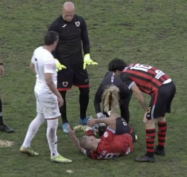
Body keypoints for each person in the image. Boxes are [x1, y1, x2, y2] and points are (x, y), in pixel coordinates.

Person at [107, 58, 176, 163]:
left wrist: (146, 111)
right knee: (161, 116)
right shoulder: (131, 65)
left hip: (161, 89)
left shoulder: (124, 75)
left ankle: (149, 155)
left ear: (117, 71)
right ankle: (160, 148)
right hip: (170, 84)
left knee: (148, 121)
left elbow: (138, 93)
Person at [19, 31, 72, 163]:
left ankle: (25, 145)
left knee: (40, 116)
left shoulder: (37, 50)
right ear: (55, 42)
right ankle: (54, 154)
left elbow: (32, 66)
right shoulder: (49, 59)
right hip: (47, 94)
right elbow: (49, 81)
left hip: (38, 89)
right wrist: (59, 96)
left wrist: (40, 77)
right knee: (53, 124)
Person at [47, 2, 98, 134]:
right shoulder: (55, 25)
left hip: (79, 63)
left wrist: (86, 56)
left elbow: (85, 40)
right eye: (66, 15)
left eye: (71, 15)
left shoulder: (80, 21)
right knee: (62, 94)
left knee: (85, 90)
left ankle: (82, 117)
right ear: (61, 11)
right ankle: (64, 121)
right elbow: (49, 45)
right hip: (64, 65)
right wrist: (55, 60)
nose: (69, 17)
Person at [67, 85, 136, 160]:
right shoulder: (106, 140)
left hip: (126, 150)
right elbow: (113, 121)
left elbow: (81, 148)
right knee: (113, 117)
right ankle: (110, 97)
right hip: (129, 136)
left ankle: (92, 128)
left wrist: (73, 136)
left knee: (98, 132)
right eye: (91, 138)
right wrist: (96, 120)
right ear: (92, 140)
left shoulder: (94, 155)